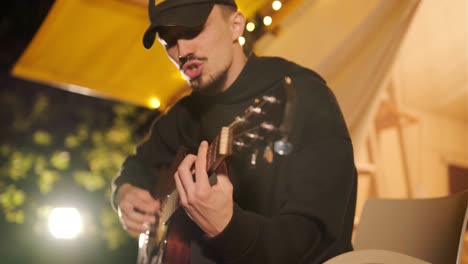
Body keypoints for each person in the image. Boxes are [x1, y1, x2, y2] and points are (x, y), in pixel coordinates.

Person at [111, 0, 357, 263]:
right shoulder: (182, 115)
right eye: (168, 40)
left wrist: (227, 227)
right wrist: (124, 193)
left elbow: (317, 240)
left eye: (192, 30)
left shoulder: (301, 96)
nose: (181, 50)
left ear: (236, 25)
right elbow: (137, 166)